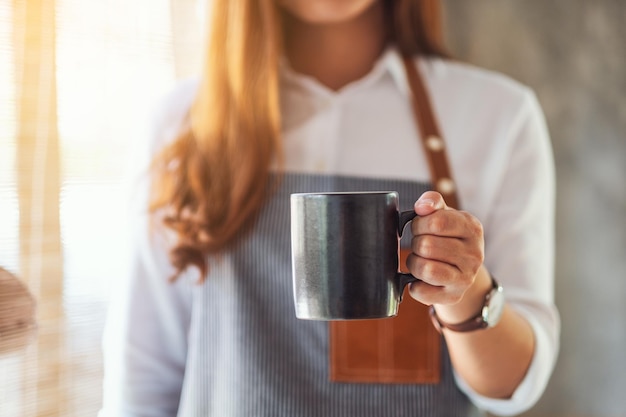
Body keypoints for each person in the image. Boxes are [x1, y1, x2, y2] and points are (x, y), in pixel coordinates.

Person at [100, 0, 560, 416]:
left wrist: (462, 288)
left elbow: (513, 385)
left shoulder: (498, 115)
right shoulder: (180, 123)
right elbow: (143, 379)